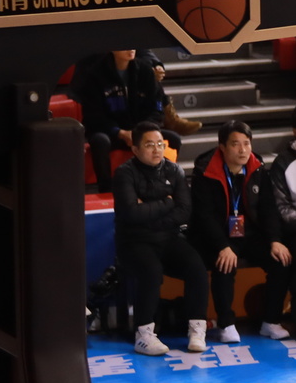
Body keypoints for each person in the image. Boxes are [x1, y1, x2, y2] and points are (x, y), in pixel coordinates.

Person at [114, 121, 210, 355]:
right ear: (135, 149)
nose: (157, 149)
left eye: (160, 144)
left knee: (196, 267)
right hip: (134, 241)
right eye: (150, 145)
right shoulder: (124, 173)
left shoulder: (174, 170)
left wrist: (149, 213)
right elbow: (131, 213)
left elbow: (184, 211)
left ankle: (197, 329)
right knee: (151, 271)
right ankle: (144, 334)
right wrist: (167, 203)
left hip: (168, 238)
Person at [188, 120, 282, 342]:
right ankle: (226, 323)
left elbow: (268, 208)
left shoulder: (257, 168)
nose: (243, 150)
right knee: (225, 263)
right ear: (222, 147)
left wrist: (275, 240)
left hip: (248, 232)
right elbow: (204, 216)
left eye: (246, 143)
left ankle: (271, 321)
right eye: (235, 144)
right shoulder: (205, 171)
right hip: (216, 235)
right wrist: (222, 245)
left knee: (280, 260)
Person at [77, 47, 169, 190]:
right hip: (110, 132)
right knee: (100, 141)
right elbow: (93, 115)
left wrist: (140, 131)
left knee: (174, 139)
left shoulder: (145, 70)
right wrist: (119, 132)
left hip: (139, 130)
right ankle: (105, 187)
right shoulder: (96, 74)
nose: (131, 49)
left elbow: (157, 109)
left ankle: (159, 185)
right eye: (125, 45)